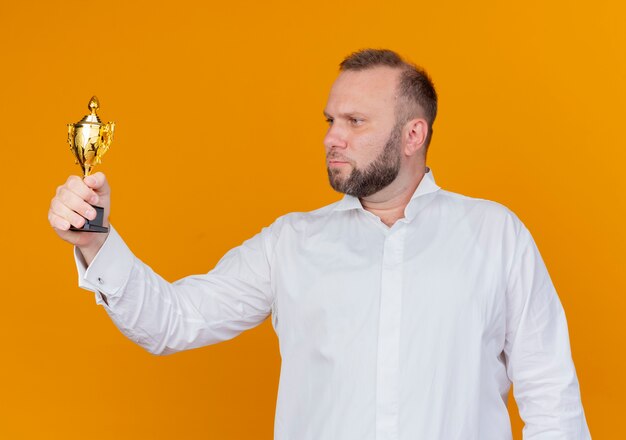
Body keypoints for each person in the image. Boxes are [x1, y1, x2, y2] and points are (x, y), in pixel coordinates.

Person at [48, 49, 591, 439]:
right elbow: (171, 321)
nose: (333, 136)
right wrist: (97, 244)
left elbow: (551, 399)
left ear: (413, 135)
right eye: (331, 120)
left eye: (355, 121)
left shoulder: (496, 236)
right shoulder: (291, 243)